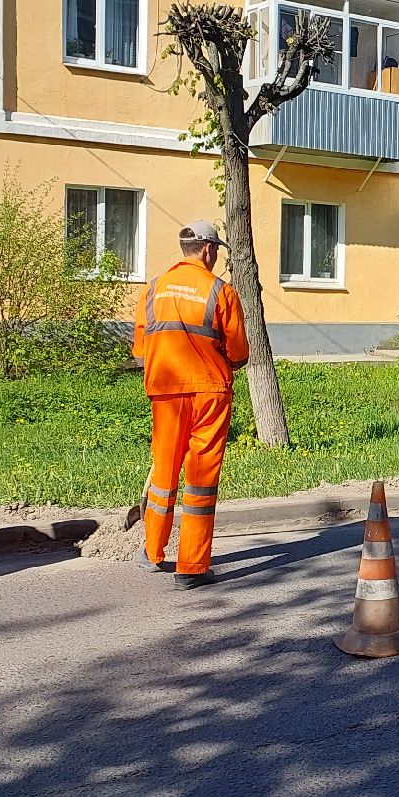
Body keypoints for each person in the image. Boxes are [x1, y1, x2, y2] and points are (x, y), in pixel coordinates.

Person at [133, 220, 249, 590]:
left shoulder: (154, 289)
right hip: (209, 392)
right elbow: (239, 352)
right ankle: (192, 566)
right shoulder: (221, 291)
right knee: (200, 478)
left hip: (165, 390)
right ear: (209, 250)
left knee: (164, 469)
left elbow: (140, 348)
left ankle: (152, 552)